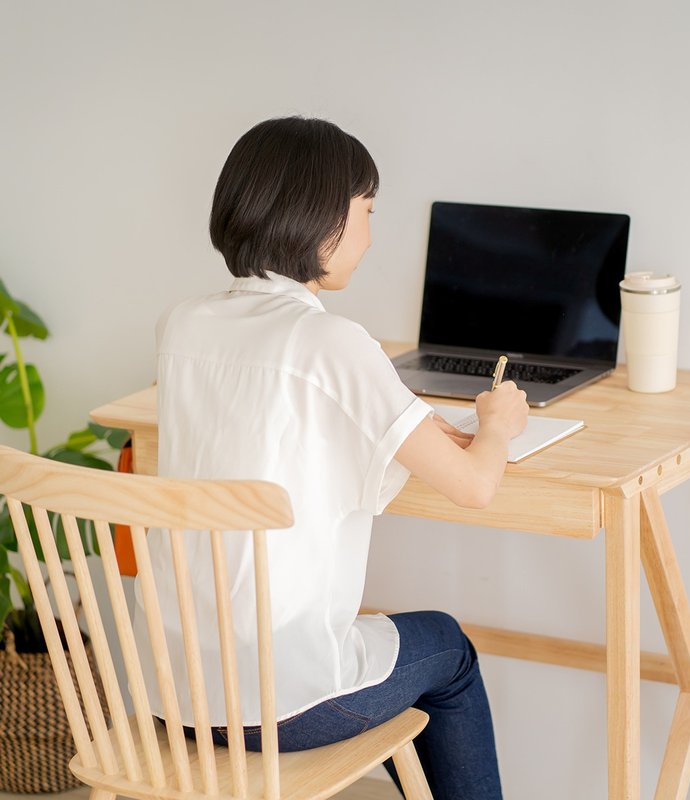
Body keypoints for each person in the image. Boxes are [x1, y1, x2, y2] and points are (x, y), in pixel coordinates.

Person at [135, 116, 528, 799]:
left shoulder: (182, 324)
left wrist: (401, 416)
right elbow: (473, 487)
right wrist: (497, 425)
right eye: (367, 212)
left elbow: (270, 418)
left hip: (176, 688)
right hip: (281, 703)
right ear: (322, 218)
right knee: (449, 649)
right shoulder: (334, 343)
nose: (372, 236)